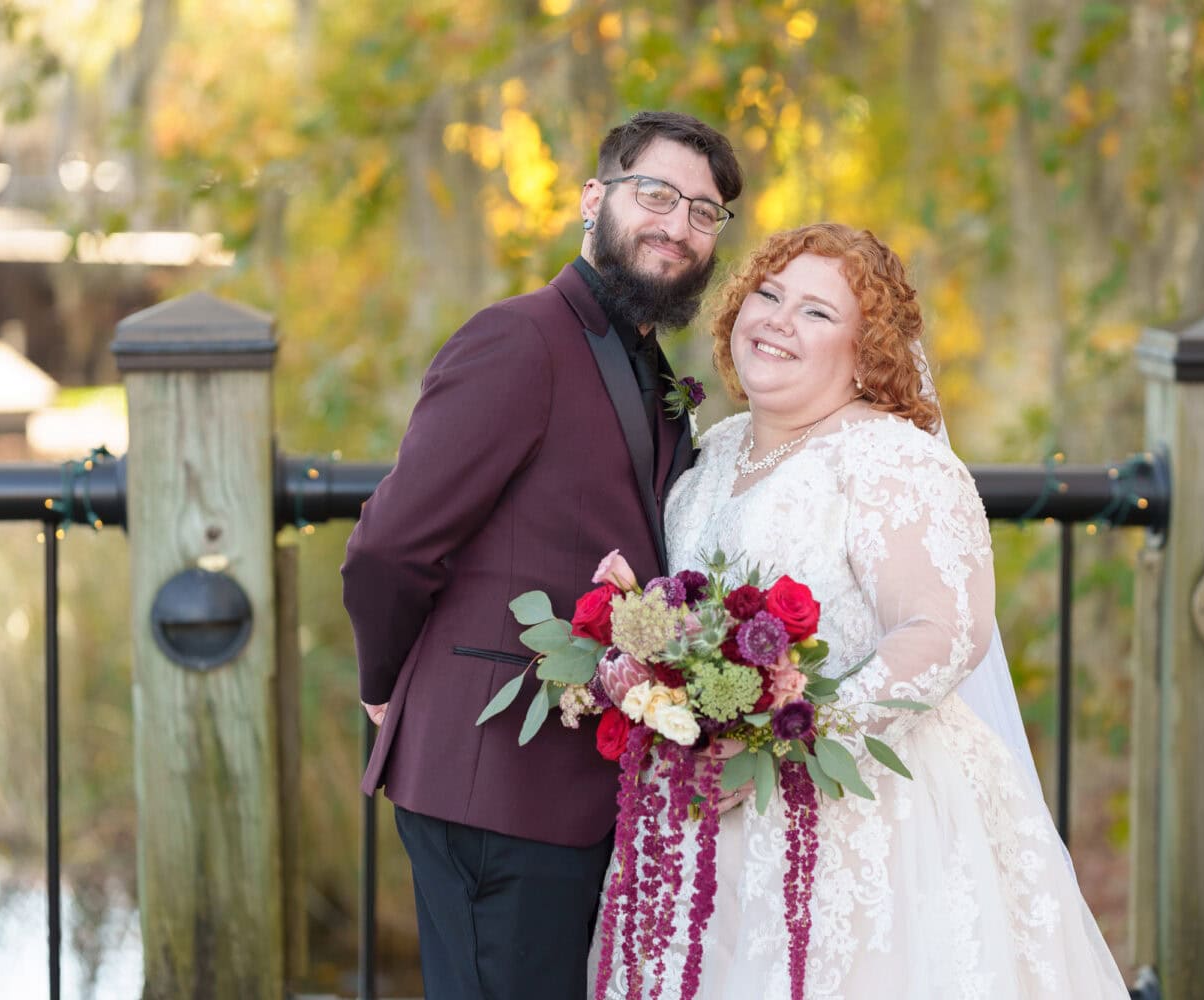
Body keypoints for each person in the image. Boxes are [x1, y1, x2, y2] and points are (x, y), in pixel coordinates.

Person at [590, 223, 1129, 997]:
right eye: (768, 296)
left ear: (865, 351)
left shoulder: (890, 459)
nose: (777, 320)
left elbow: (945, 633)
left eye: (817, 313)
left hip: (866, 823)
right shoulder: (712, 456)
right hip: (703, 824)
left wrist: (783, 740)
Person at [342, 110, 743, 1000]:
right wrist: (384, 685)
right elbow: (388, 547)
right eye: (658, 194)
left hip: (577, 789)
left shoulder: (647, 366)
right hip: (493, 786)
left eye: (705, 212)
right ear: (594, 199)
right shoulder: (520, 340)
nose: (677, 225)